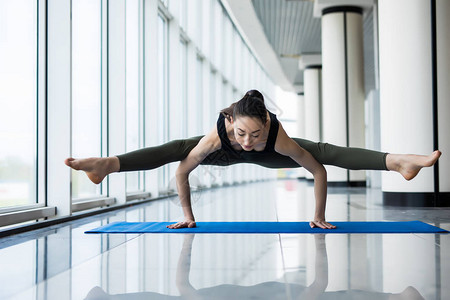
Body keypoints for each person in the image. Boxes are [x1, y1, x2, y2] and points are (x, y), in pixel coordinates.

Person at [65, 90, 441, 230]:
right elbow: (182, 171)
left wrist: (319, 214)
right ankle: (105, 165)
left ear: (267, 123)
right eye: (241, 133)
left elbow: (318, 169)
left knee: (325, 150)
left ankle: (399, 162)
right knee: (176, 148)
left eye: (255, 133)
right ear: (230, 122)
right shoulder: (217, 136)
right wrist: (188, 216)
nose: (247, 141)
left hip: (273, 159)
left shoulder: (276, 135)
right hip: (218, 158)